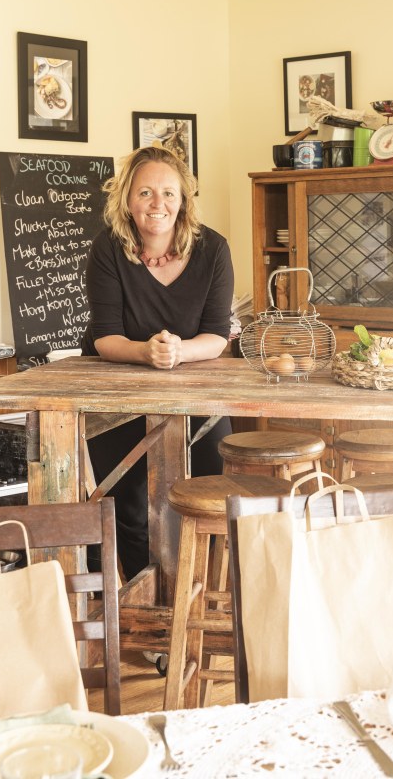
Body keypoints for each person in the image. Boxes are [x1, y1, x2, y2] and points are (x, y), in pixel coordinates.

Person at [81, 145, 234, 581]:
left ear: (183, 199)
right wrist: (146, 352)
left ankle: (197, 589)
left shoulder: (213, 249)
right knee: (126, 504)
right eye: (145, 192)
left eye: (168, 193)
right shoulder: (108, 249)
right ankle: (143, 600)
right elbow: (105, 337)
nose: (157, 204)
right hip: (118, 389)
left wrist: (179, 351)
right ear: (127, 199)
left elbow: (217, 335)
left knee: (212, 490)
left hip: (195, 389)